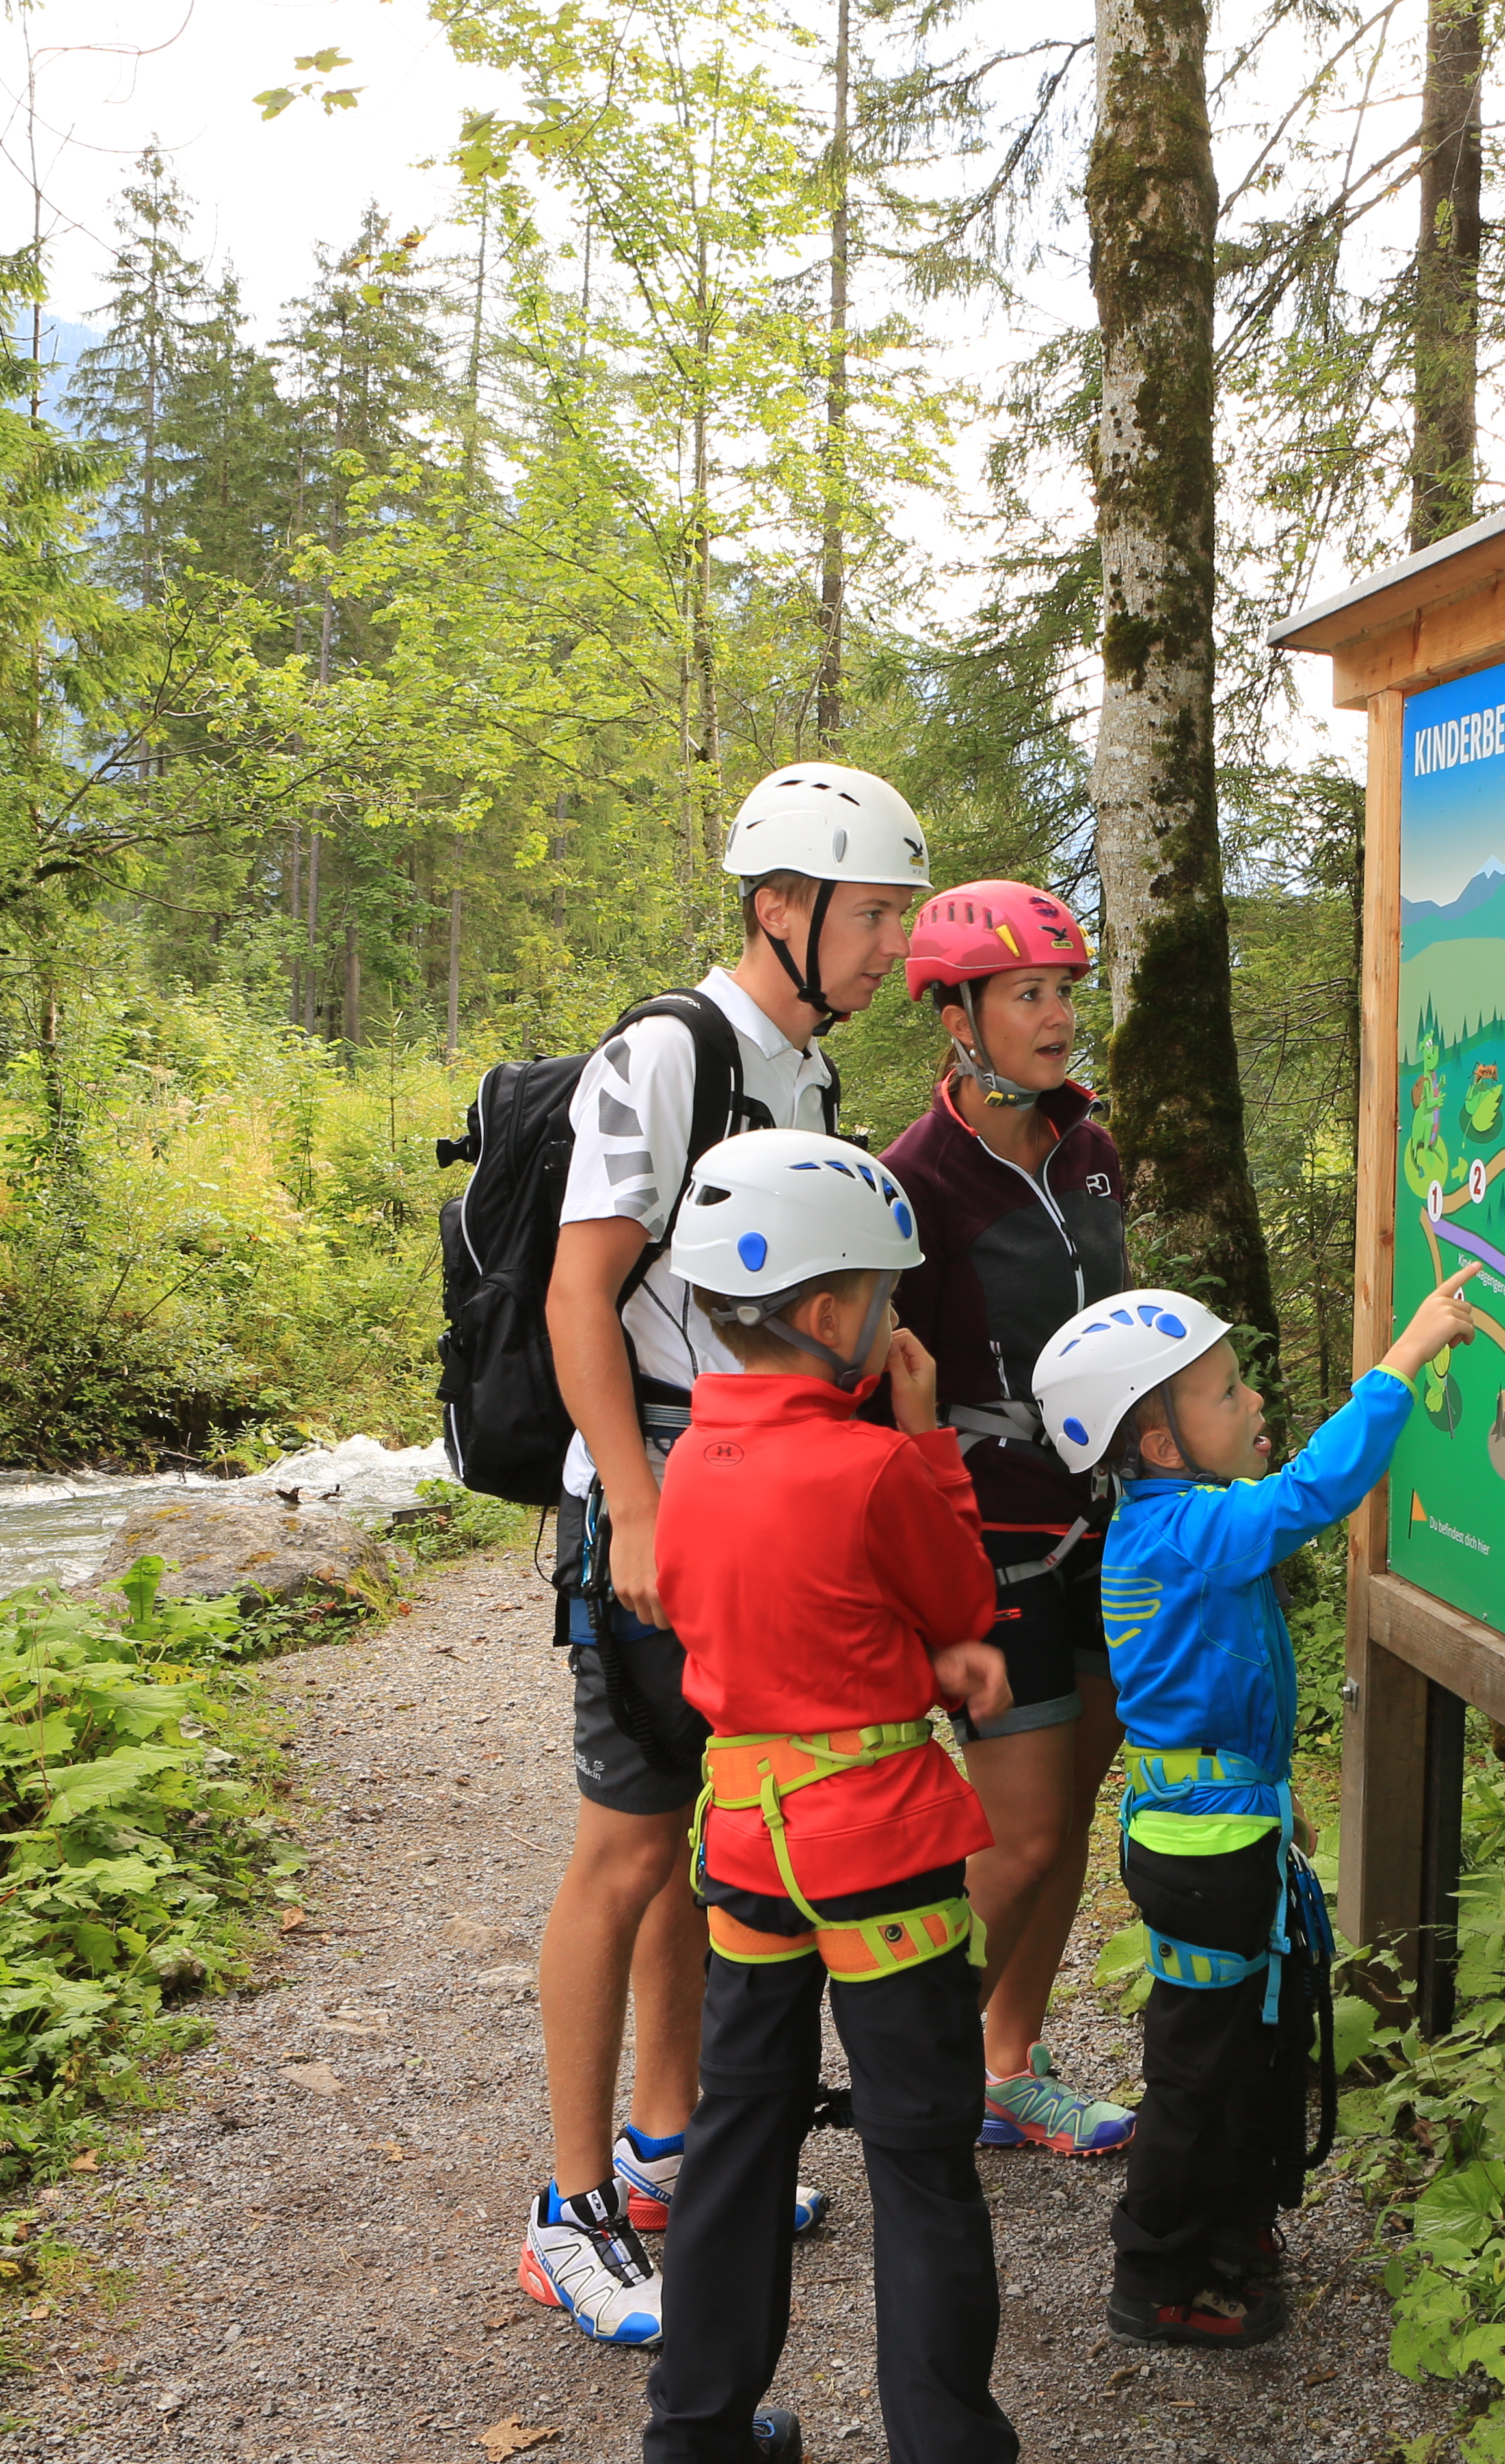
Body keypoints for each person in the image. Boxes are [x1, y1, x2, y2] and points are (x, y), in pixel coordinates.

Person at [519, 763, 931, 2348]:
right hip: (661, 1495)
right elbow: (580, 1292)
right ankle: (567, 2208)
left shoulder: (803, 1071)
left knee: (706, 1821)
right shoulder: (670, 1056)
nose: (890, 948)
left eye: (898, 916)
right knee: (624, 1842)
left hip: (755, 1491)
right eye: (874, 915)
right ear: (783, 908)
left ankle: (672, 2137)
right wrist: (630, 1502)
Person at [644, 1129, 1022, 2464]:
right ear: (827, 1312)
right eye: (887, 1291)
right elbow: (958, 1602)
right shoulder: (866, 1468)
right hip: (881, 1851)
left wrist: (896, 1655)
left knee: (740, 2135)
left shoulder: (689, 1462)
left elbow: (762, 1625)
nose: (900, 1313)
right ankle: (945, 2445)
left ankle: (696, 2433)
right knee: (917, 2154)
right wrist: (925, 1442)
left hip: (747, 1840)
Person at [1030, 1262, 1484, 2348]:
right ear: (1158, 1443)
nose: (1254, 1403)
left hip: (1223, 1828)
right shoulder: (1181, 1533)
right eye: (1227, 1391)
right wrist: (1403, 1360)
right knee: (1196, 2064)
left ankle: (1228, 2230)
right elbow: (1310, 1498)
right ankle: (1155, 2275)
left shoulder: (1177, 1521)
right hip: (1207, 1851)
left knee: (1239, 2044)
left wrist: (1276, 1806)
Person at [880, 878, 1136, 2158]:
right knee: (1024, 1830)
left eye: (1065, 992)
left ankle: (1005, 2065)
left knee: (1074, 1801)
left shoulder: (1088, 1152)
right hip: (997, 1548)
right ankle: (909, 2074)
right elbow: (875, 1387)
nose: (1055, 1017)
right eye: (1029, 994)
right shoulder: (910, 1185)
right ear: (958, 1015)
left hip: (1113, 1532)